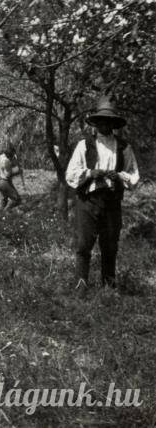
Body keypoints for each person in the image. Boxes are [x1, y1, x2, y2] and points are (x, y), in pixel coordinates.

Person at [65, 96, 139, 295]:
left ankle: (109, 286)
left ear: (114, 124)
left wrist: (119, 175)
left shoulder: (124, 147)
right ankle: (81, 287)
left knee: (110, 244)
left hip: (112, 201)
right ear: (95, 123)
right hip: (89, 200)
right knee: (84, 244)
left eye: (108, 121)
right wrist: (90, 173)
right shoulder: (84, 145)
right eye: (101, 121)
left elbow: (134, 175)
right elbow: (71, 174)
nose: (104, 125)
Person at [0, 146, 23, 211]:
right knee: (16, 199)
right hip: (4, 182)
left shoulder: (0, 157)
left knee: (4, 198)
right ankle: (6, 211)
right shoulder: (7, 161)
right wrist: (17, 171)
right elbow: (8, 174)